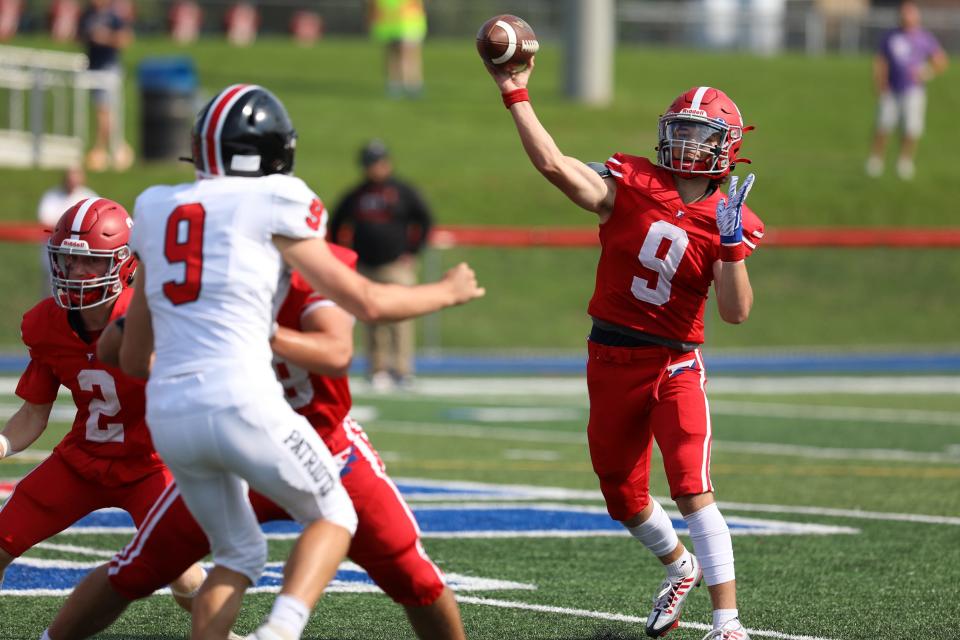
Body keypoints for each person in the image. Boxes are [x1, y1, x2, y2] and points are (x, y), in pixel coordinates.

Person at [118, 83, 483, 640]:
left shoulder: (155, 209)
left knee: (232, 556)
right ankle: (279, 632)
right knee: (334, 515)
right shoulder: (278, 205)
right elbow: (368, 305)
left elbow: (131, 358)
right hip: (249, 410)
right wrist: (450, 291)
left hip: (176, 411)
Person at [42, 244, 467, 640]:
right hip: (242, 450)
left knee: (413, 575)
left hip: (301, 444)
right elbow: (127, 352)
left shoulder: (257, 271)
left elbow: (337, 346)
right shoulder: (201, 273)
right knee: (141, 567)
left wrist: (245, 334)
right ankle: (281, 628)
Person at [485, 58, 763, 640]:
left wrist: (732, 245)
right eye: (679, 129)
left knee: (692, 485)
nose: (685, 141)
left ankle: (728, 621)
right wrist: (516, 94)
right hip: (610, 357)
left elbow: (736, 312)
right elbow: (554, 165)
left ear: (726, 147)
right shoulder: (631, 182)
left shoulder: (728, 218)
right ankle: (678, 566)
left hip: (675, 362)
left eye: (699, 133)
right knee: (621, 493)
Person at [0, 197, 206, 615]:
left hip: (148, 466)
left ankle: (220, 632)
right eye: (68, 261)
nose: (75, 273)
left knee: (184, 572)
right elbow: (33, 414)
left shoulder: (151, 319)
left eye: (88, 262)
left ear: (123, 265)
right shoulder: (47, 323)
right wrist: (1, 444)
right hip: (81, 463)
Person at [329, 140, 433, 391]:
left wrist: (412, 251)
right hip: (366, 265)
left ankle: (402, 370)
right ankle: (377, 370)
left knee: (401, 318)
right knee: (371, 318)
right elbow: (336, 224)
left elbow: (425, 219)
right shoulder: (356, 195)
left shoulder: (402, 191)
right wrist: (346, 255)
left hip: (396, 265)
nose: (374, 168)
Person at [865, 1, 948, 180]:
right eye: (904, 15)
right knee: (883, 125)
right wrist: (879, 81)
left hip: (913, 91)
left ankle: (904, 161)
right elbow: (881, 60)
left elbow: (941, 60)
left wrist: (926, 72)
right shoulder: (890, 36)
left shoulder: (924, 38)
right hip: (891, 88)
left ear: (916, 17)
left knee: (911, 128)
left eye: (910, 15)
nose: (907, 18)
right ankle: (876, 160)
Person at [78, 0, 134, 172]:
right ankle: (113, 149)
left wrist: (104, 37)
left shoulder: (113, 16)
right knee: (103, 110)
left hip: (108, 68)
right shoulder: (87, 14)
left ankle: (103, 149)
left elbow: (125, 39)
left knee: (106, 110)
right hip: (92, 66)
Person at [37, 166, 99, 283]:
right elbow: (46, 223)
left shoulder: (89, 196)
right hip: (54, 254)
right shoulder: (51, 197)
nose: (73, 180)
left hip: (82, 257)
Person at [369, 0, 426, 97]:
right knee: (393, 54)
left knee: (408, 53)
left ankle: (411, 83)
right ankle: (396, 84)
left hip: (409, 20)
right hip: (389, 22)